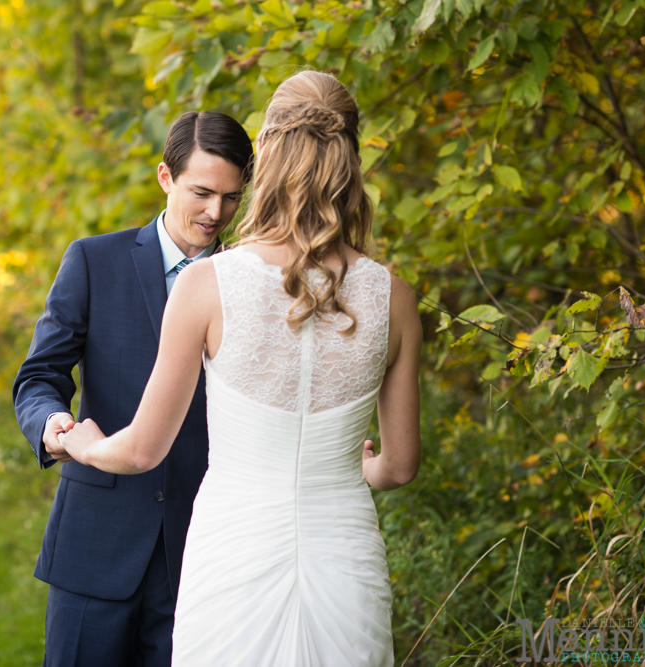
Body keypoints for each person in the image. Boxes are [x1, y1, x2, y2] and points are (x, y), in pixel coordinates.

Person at [59, 70, 423, 666]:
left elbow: (142, 450)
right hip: (344, 554)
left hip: (233, 552)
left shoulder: (207, 284)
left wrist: (87, 445)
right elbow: (400, 466)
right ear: (353, 163)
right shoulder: (394, 298)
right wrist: (359, 464)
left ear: (268, 158)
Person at [12, 112, 254, 666]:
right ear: (165, 177)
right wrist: (56, 426)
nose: (216, 213)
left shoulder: (251, 283)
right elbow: (40, 376)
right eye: (202, 192)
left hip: (204, 551)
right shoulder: (94, 261)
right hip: (95, 543)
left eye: (232, 197)